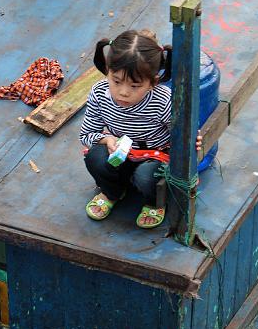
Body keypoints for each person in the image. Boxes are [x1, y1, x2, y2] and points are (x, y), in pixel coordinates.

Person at [80, 30, 203, 229]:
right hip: (121, 153)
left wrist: (193, 140)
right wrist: (107, 140)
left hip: (156, 155)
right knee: (95, 157)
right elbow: (87, 134)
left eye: (135, 85)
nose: (123, 92)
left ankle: (154, 202)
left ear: (152, 82)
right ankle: (113, 192)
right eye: (116, 81)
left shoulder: (162, 100)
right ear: (107, 70)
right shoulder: (99, 93)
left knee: (146, 176)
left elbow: (183, 134)